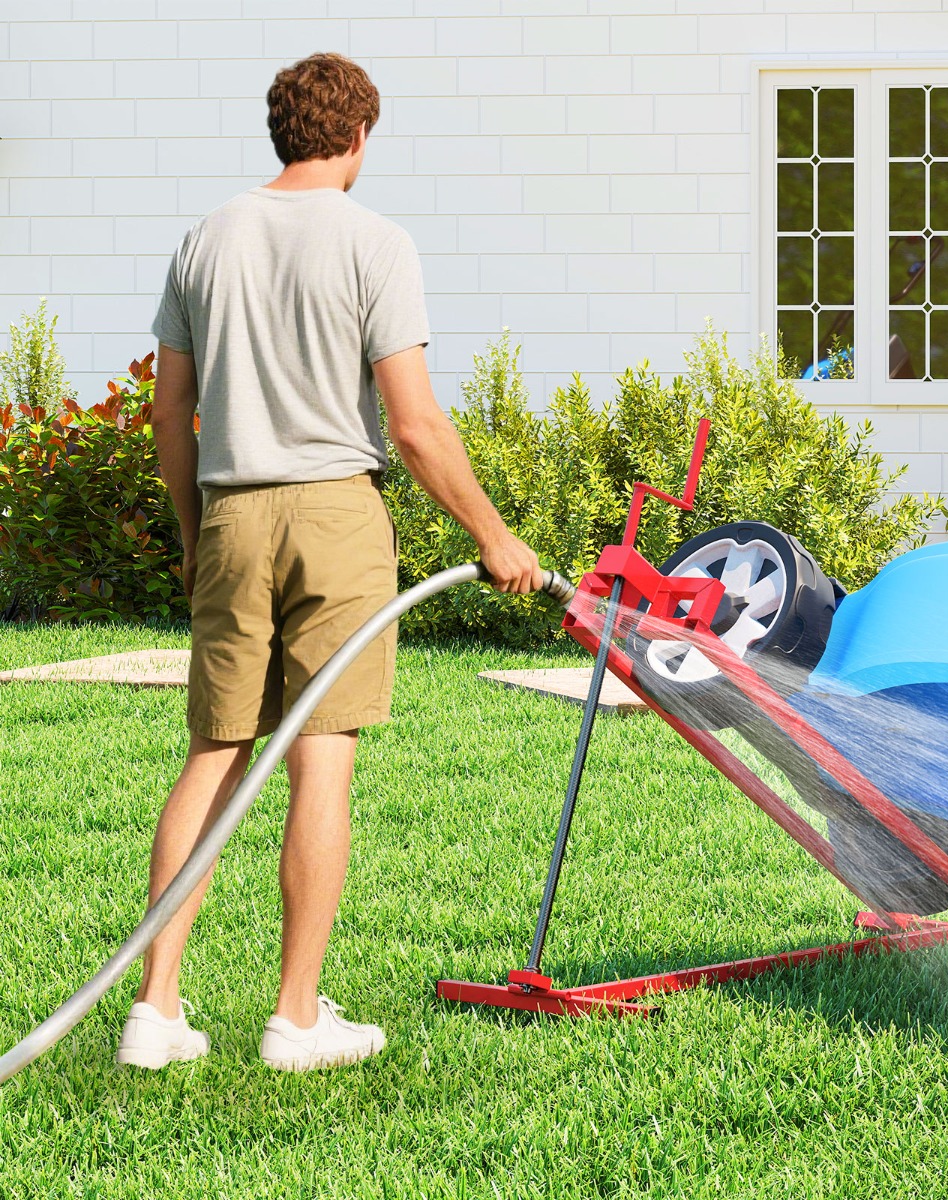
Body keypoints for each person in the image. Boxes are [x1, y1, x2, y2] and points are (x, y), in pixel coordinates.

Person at [115, 53, 541, 1072]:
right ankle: (295, 1019)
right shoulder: (374, 243)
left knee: (215, 753)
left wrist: (191, 528)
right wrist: (494, 535)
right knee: (322, 758)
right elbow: (416, 424)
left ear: (282, 133)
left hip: (230, 510)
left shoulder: (204, 239)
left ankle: (156, 1011)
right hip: (337, 518)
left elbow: (171, 413)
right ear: (357, 139)